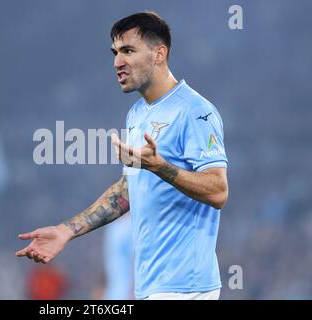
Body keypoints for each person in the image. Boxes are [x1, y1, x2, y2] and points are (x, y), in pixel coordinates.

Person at [16, 12, 229, 300]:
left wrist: (160, 167)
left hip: (185, 286)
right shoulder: (137, 114)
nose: (117, 62)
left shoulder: (195, 111)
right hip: (151, 286)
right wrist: (66, 231)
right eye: (115, 52)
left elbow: (218, 191)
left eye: (128, 50)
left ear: (159, 54)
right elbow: (127, 191)